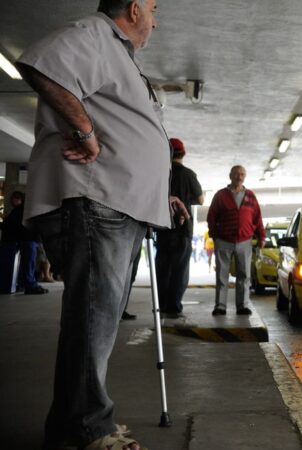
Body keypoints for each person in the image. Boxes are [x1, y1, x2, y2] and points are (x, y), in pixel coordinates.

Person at [14, 1, 188, 448]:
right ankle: (89, 426)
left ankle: (71, 425)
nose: (156, 18)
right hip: (96, 199)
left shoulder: (119, 56)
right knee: (94, 319)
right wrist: (87, 134)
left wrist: (158, 186)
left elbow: (128, 129)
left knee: (98, 320)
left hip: (119, 201)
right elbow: (41, 65)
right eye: (152, 8)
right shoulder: (95, 33)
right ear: (133, 8)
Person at [155, 138, 204, 319]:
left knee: (162, 268)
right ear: (183, 153)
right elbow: (200, 200)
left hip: (162, 227)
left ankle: (161, 305)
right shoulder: (188, 174)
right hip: (182, 230)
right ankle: (174, 306)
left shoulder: (160, 173)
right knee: (179, 269)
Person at [207, 165, 265, 316]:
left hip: (245, 241)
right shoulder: (220, 195)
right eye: (237, 174)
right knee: (222, 275)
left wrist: (261, 237)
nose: (240, 177)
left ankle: (242, 305)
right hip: (224, 241)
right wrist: (215, 236)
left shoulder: (250, 196)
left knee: (244, 275)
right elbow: (211, 216)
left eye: (242, 174)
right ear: (230, 176)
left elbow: (257, 218)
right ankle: (220, 306)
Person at [0, 191, 48, 294]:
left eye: (17, 198)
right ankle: (28, 284)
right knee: (27, 264)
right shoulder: (21, 211)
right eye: (14, 198)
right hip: (26, 240)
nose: (15, 200)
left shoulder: (19, 211)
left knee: (27, 264)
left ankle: (28, 284)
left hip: (26, 240)